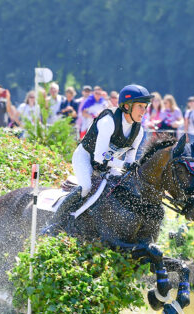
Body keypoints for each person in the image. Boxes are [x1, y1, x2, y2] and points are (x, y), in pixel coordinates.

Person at [46, 84, 152, 232]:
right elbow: (99, 156)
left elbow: (129, 160)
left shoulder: (138, 130)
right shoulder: (109, 121)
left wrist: (131, 166)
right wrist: (124, 165)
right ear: (127, 106)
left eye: (145, 106)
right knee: (86, 188)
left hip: (108, 165)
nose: (144, 111)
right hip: (86, 157)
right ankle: (54, 224)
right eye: (140, 106)